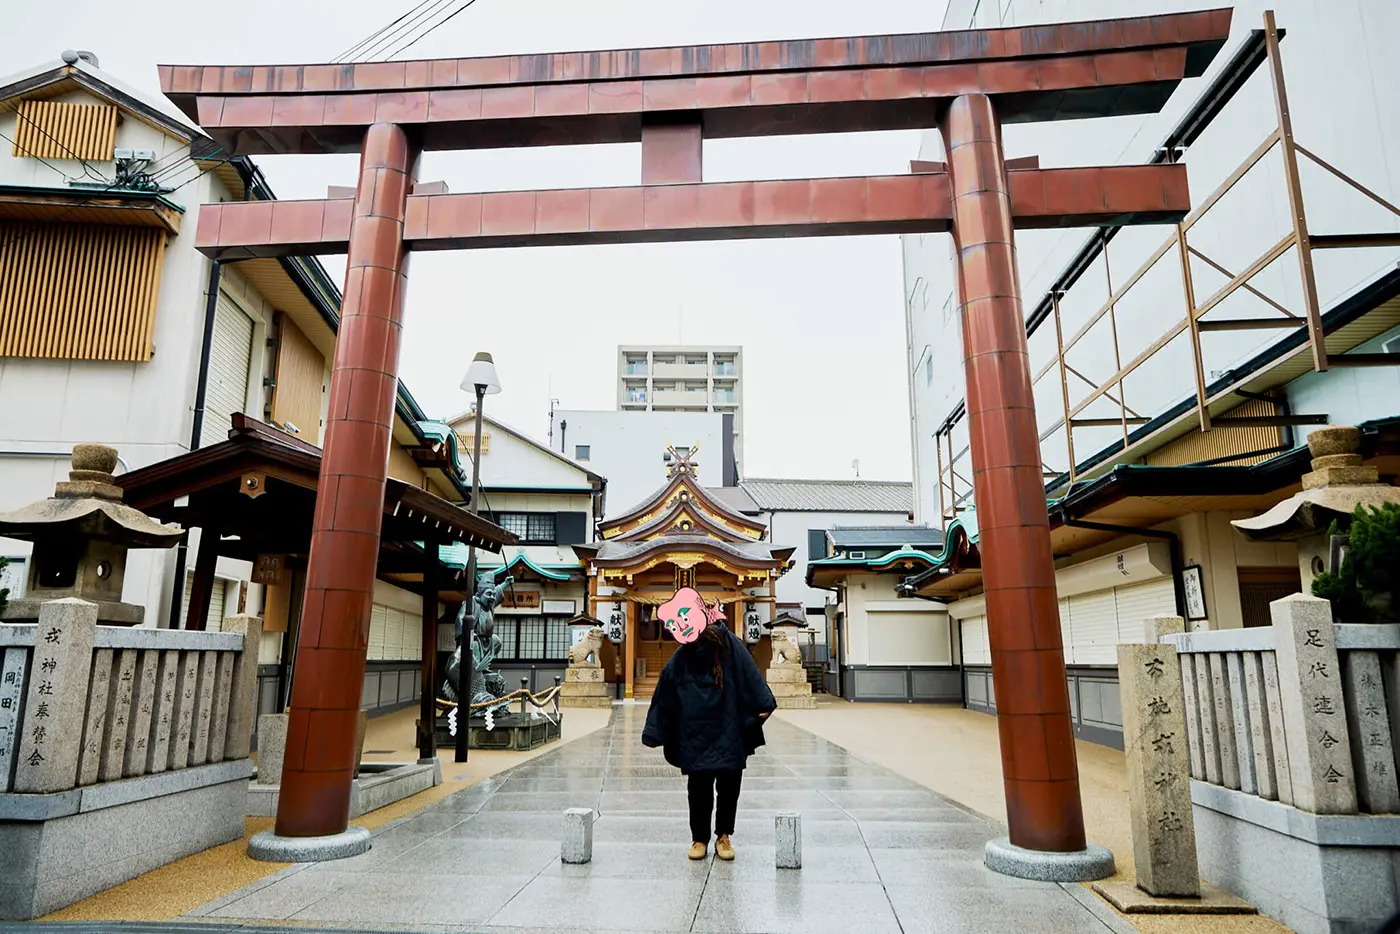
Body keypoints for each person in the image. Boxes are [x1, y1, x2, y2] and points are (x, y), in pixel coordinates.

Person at [642, 588, 777, 861]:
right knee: (699, 788)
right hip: (695, 732)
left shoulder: (732, 646)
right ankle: (699, 838)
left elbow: (752, 678)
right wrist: (656, 730)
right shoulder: (683, 654)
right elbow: (666, 691)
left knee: (728, 787)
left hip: (728, 729)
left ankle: (723, 836)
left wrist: (760, 708)